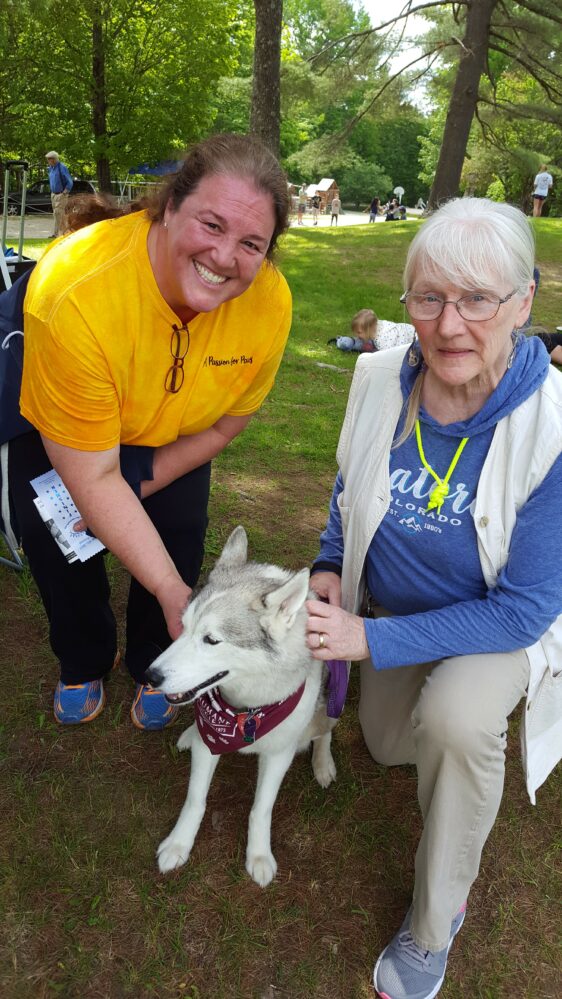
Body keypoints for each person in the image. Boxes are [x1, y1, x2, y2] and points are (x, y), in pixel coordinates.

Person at [306, 197, 562, 999]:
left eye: (479, 299)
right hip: (393, 612)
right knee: (387, 742)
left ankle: (432, 923)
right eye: (430, 297)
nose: (451, 324)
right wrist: (328, 558)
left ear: (524, 303)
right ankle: (455, 749)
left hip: (496, 625)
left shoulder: (553, 427)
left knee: (456, 720)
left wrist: (365, 642)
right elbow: (352, 482)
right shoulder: (380, 374)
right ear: (409, 299)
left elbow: (524, 608)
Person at [9, 133, 292, 730]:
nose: (224, 257)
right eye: (211, 225)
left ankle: (151, 660)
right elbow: (90, 474)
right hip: (72, 427)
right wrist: (114, 498)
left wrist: (143, 485)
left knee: (179, 535)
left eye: (250, 243)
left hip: (177, 433)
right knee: (57, 542)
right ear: (167, 208)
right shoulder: (74, 287)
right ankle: (83, 657)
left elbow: (225, 426)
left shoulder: (268, 302)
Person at [330, 308, 415, 354]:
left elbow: (387, 356)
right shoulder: (375, 326)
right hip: (409, 329)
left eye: (359, 332)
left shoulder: (381, 339)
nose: (357, 336)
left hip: (412, 337)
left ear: (370, 329)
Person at [45, 151, 73, 238]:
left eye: (49, 159)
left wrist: (65, 192)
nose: (48, 161)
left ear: (54, 159)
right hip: (53, 194)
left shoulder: (62, 167)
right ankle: (62, 233)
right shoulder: (50, 168)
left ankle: (58, 234)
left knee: (59, 214)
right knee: (57, 215)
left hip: (61, 194)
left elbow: (70, 182)